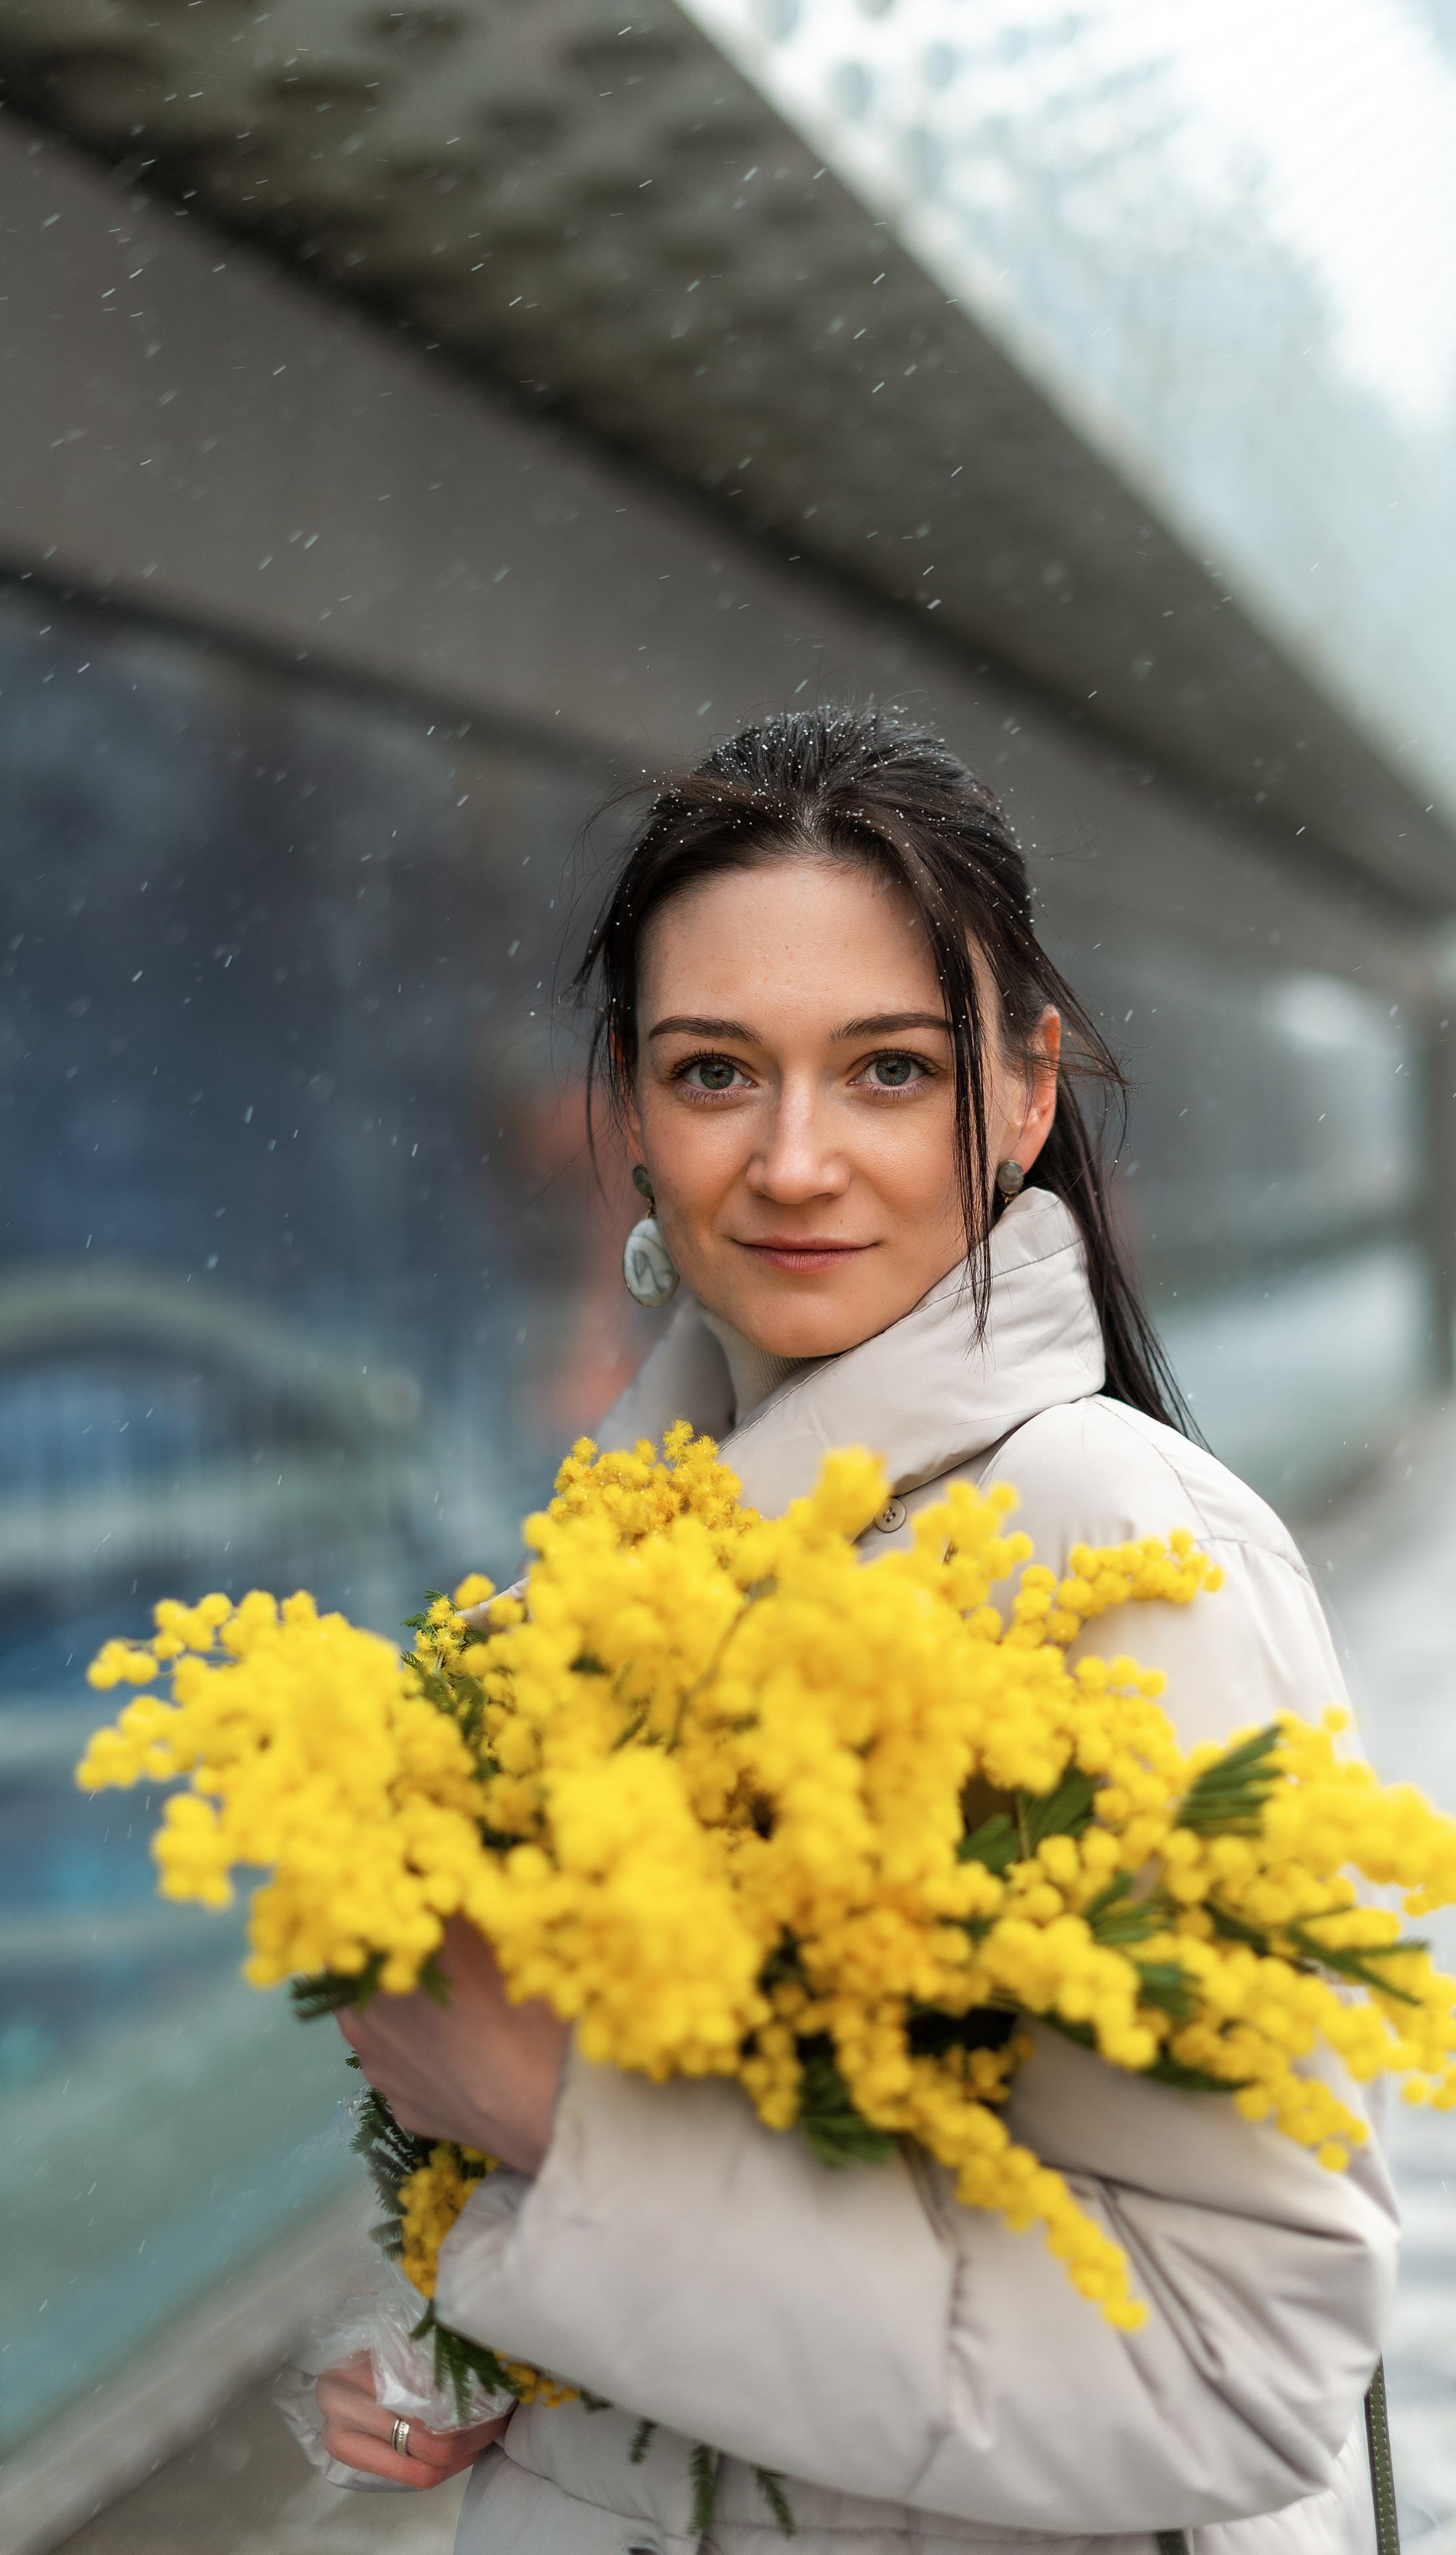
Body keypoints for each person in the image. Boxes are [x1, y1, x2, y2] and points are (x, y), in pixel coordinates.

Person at [308, 708, 1399, 2552]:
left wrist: (577, 2139)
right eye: (718, 1072)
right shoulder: (613, 1552)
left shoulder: (1123, 1551)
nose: (794, 1160)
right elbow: (757, 2237)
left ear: (1028, 1093)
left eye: (887, 1071)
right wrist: (476, 2350)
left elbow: (1239, 2365)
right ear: (634, 1115)